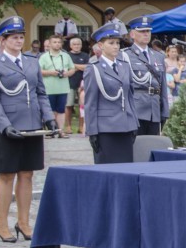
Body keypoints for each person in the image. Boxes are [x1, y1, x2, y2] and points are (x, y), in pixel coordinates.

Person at [0, 16, 56, 242]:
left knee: (27, 174)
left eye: (21, 37)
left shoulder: (32, 61)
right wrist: (4, 126)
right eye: (14, 37)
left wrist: (49, 118)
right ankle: (2, 224)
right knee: (6, 175)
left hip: (32, 125)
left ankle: (23, 222)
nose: (18, 41)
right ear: (3, 41)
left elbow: (40, 93)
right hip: (9, 127)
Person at [84, 24, 139, 164]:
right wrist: (92, 131)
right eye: (111, 43)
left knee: (126, 170)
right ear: (101, 45)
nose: (116, 46)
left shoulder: (124, 66)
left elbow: (130, 97)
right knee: (107, 171)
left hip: (126, 125)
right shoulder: (94, 69)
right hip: (106, 128)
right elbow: (90, 103)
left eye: (118, 43)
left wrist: (134, 123)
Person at [122, 16, 169, 135]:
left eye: (148, 31)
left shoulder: (158, 56)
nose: (146, 34)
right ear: (132, 34)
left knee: (152, 145)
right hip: (136, 108)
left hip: (154, 108)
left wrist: (165, 111)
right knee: (137, 147)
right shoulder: (125, 55)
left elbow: (162, 85)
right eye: (142, 31)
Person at [38, 34, 74, 137]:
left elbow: (72, 68)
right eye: (54, 42)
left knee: (61, 110)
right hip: (49, 88)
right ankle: (51, 130)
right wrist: (50, 72)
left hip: (63, 88)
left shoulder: (66, 56)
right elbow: (38, 71)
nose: (57, 44)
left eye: (59, 42)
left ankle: (60, 130)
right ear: (49, 43)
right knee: (50, 110)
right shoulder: (44, 57)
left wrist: (67, 73)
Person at [64, 36, 89, 136]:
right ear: (70, 46)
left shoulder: (86, 55)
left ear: (81, 45)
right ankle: (68, 126)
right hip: (69, 84)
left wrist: (74, 66)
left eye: (78, 44)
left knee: (82, 106)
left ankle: (81, 126)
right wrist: (80, 67)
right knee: (68, 105)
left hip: (83, 84)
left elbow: (88, 67)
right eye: (74, 44)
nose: (76, 46)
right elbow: (66, 68)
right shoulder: (66, 55)